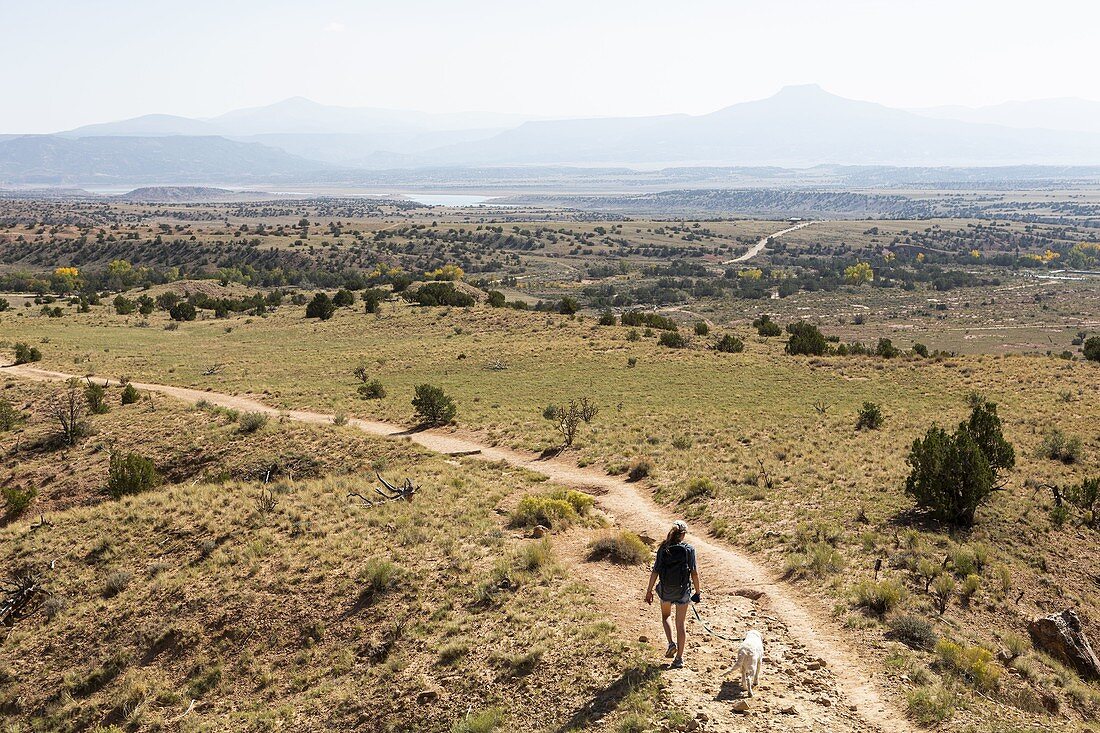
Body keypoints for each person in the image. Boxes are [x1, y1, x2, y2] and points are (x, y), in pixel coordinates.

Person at [645, 520, 702, 669]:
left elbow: (655, 571)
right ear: (683, 534)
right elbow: (694, 573)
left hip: (665, 590)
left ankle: (671, 643)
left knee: (666, 616)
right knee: (681, 624)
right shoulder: (689, 549)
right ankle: (679, 659)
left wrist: (649, 591)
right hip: (683, 591)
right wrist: (697, 592)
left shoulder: (663, 548)